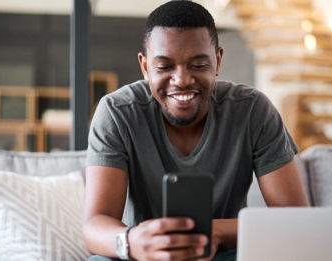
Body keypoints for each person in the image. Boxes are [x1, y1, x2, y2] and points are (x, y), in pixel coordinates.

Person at [83, 1, 310, 260]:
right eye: (164, 66)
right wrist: (132, 241)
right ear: (145, 67)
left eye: (198, 65)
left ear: (218, 60)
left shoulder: (253, 110)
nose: (181, 80)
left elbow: (295, 220)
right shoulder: (117, 112)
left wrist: (215, 231)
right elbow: (95, 225)